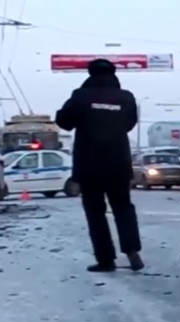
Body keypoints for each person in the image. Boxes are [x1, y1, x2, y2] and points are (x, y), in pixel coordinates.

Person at [55, 59, 144, 272]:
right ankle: (132, 252)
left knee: (96, 212)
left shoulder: (81, 96)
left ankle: (106, 259)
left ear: (90, 73)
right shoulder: (126, 97)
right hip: (119, 163)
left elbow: (64, 122)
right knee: (123, 207)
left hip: (89, 164)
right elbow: (129, 124)